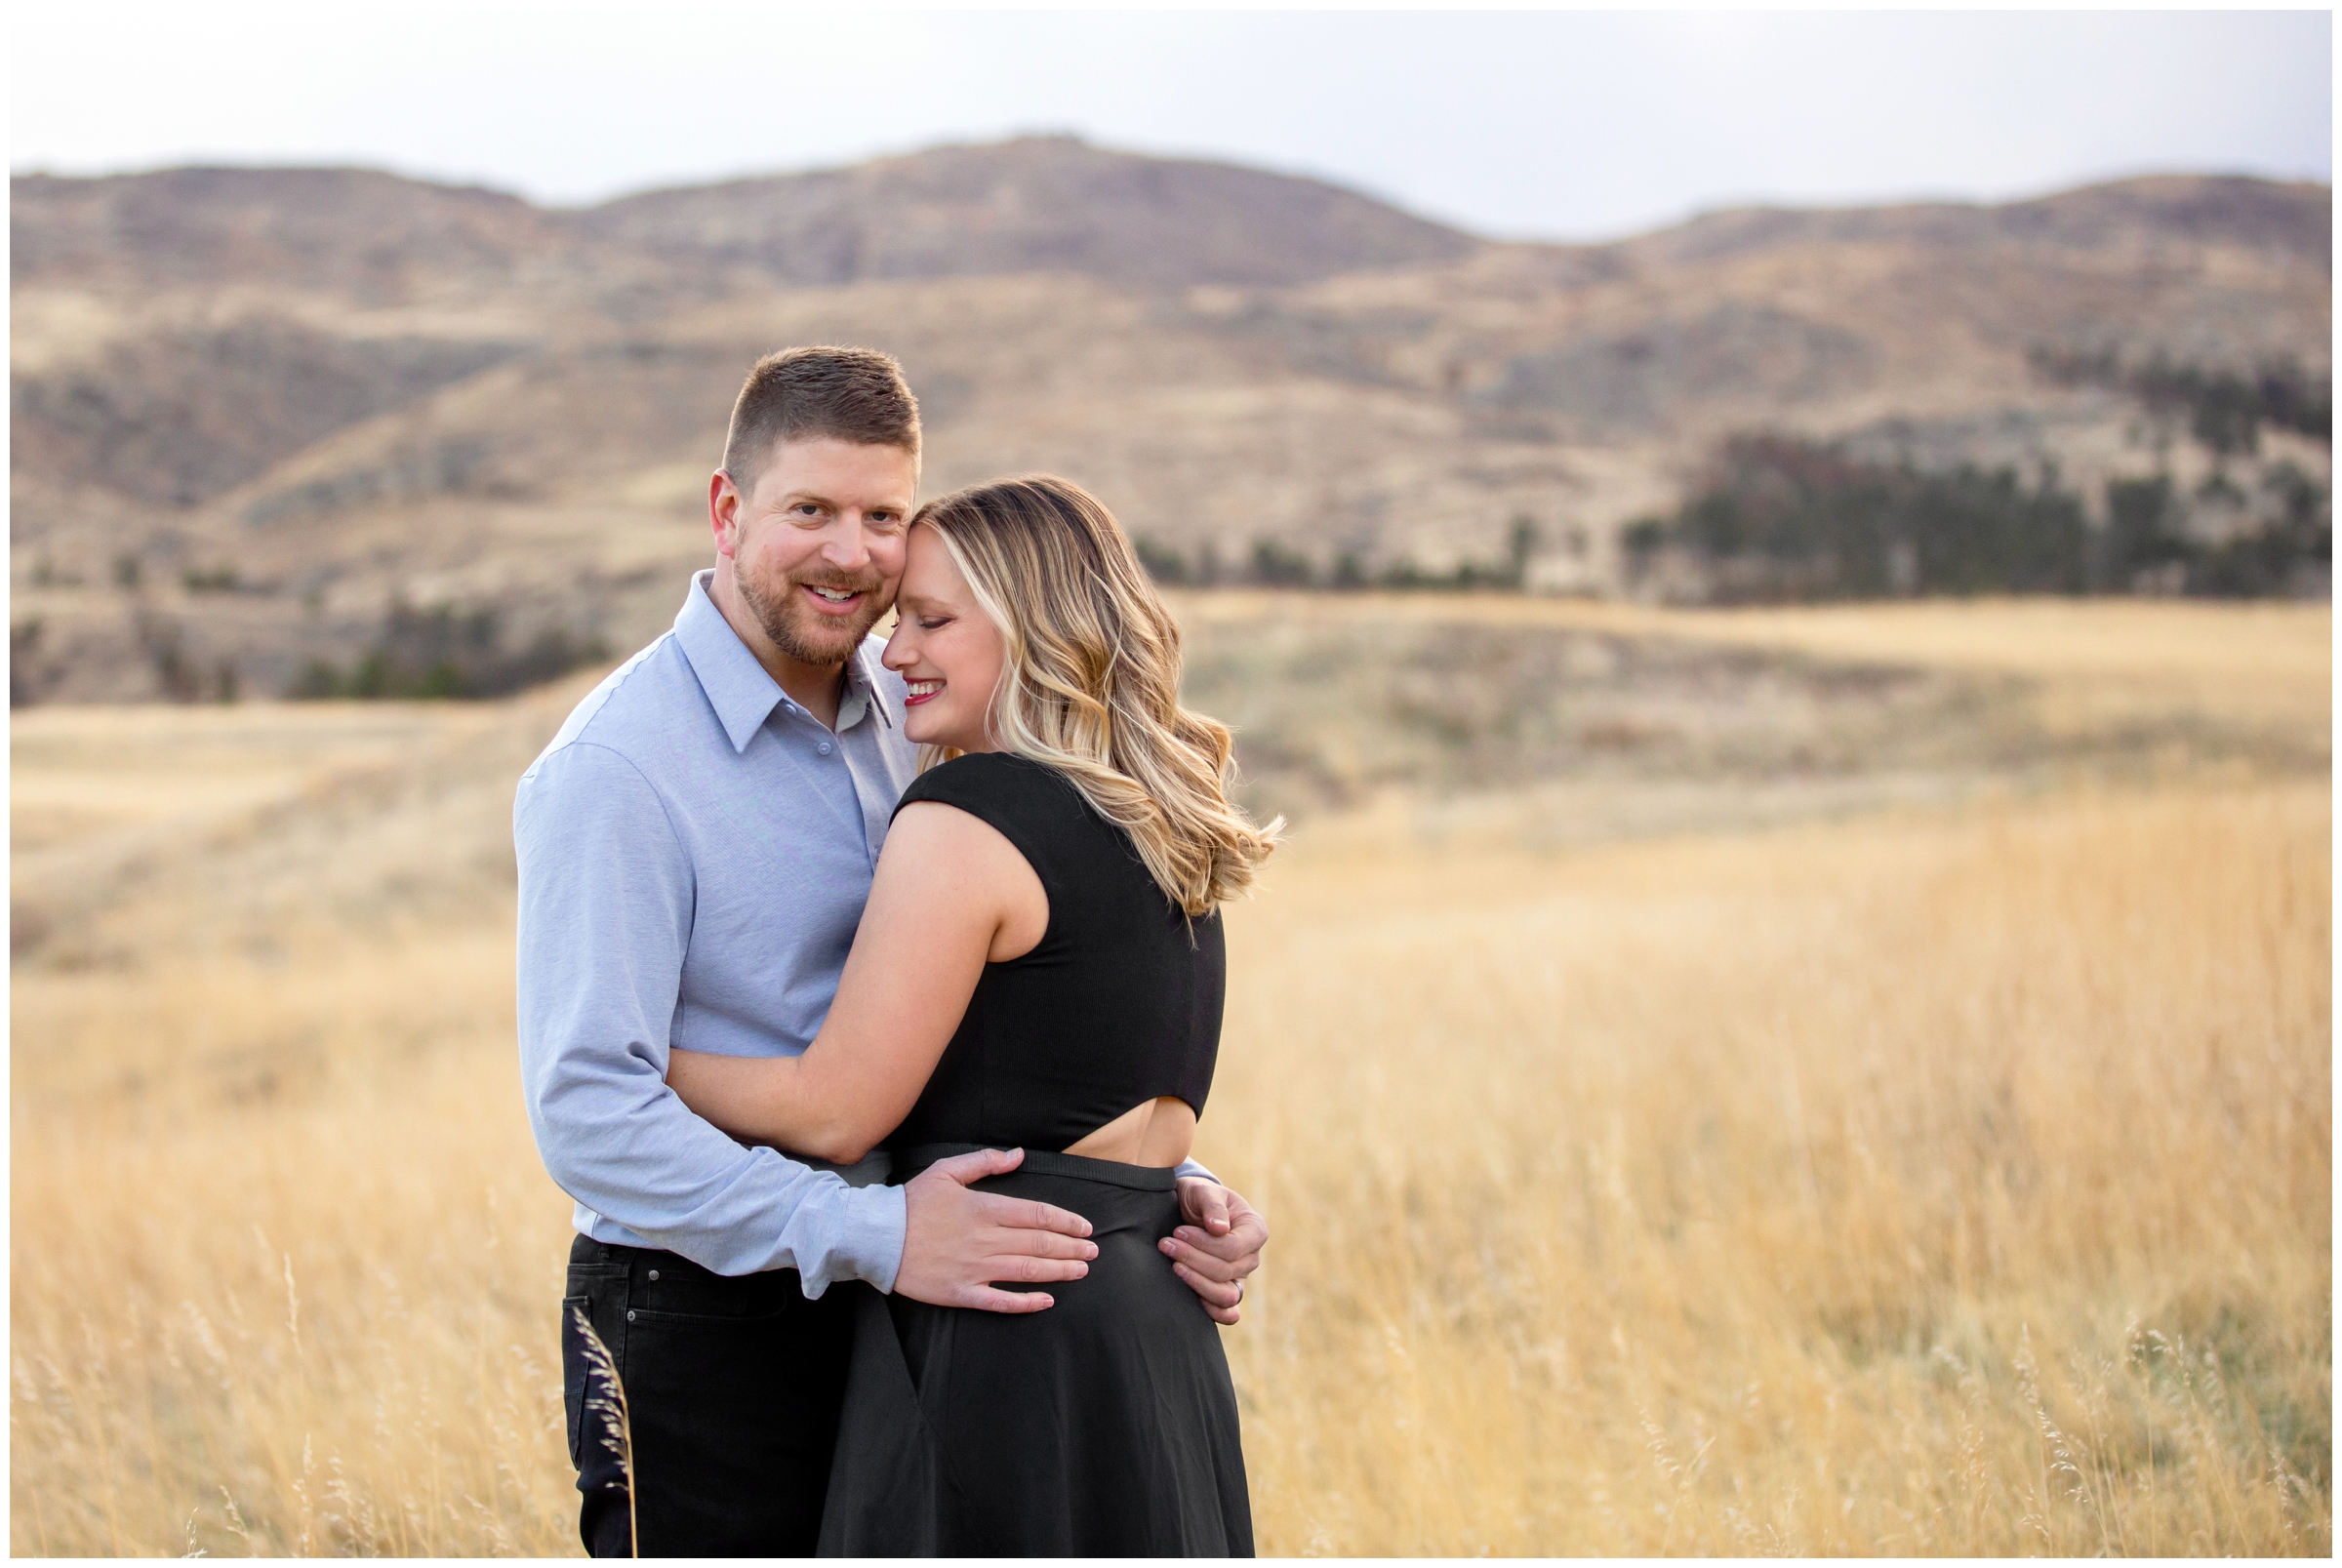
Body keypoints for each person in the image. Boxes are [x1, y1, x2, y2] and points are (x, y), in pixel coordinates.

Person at [515, 347, 1269, 1556]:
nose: (852, 553)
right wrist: (883, 1233)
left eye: (882, 517)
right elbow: (590, 1111)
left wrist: (1132, 1186)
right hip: (713, 1316)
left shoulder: (919, 704)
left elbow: (1008, 1007)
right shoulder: (617, 771)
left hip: (932, 1297)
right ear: (727, 510)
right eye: (809, 509)